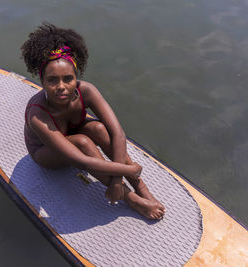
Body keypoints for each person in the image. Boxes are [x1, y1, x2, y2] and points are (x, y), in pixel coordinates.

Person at [22, 23, 165, 220]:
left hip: (76, 140)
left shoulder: (87, 91)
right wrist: (126, 170)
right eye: (52, 80)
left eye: (67, 79)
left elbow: (118, 133)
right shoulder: (38, 114)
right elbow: (80, 160)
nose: (61, 87)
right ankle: (131, 198)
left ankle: (140, 186)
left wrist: (117, 178)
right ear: (42, 81)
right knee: (82, 141)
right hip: (47, 155)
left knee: (98, 127)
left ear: (76, 77)